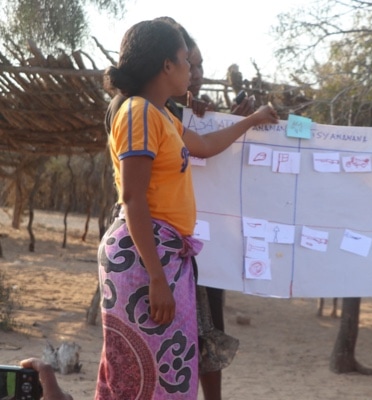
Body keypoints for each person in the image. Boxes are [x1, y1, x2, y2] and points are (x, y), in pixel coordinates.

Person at [97, 19, 278, 400]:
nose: (191, 72)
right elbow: (133, 198)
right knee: (143, 380)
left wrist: (254, 119)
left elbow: (206, 145)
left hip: (163, 254)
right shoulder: (138, 114)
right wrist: (157, 276)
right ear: (166, 66)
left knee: (166, 374)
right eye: (185, 61)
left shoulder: (161, 116)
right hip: (145, 257)